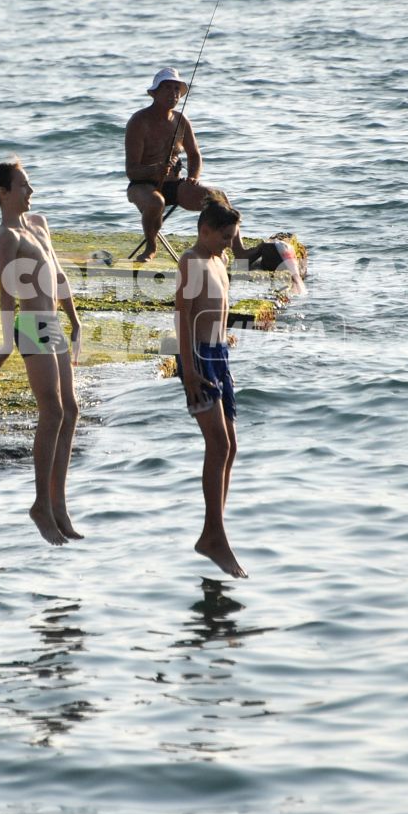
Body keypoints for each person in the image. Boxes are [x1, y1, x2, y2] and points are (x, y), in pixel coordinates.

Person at [0, 158, 85, 546]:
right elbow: (6, 293)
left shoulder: (38, 223)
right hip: (32, 326)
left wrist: (75, 319)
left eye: (29, 184)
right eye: (23, 186)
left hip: (54, 324)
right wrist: (6, 344)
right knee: (52, 410)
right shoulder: (6, 237)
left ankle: (58, 504)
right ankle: (41, 504)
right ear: (3, 194)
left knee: (71, 410)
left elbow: (58, 275)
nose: (31, 191)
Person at [177, 193, 248, 578]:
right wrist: (187, 369)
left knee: (231, 446)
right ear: (204, 231)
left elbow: (214, 307)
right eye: (224, 237)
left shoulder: (218, 259)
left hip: (219, 354)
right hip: (198, 358)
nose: (229, 244)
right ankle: (214, 535)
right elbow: (183, 315)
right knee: (217, 444)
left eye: (231, 237)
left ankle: (213, 532)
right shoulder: (191, 261)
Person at [125, 67, 247, 262]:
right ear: (155, 93)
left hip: (175, 185)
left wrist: (193, 177)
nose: (173, 94)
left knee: (219, 197)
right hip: (143, 185)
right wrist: (155, 169)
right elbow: (131, 171)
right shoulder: (139, 121)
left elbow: (195, 155)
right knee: (157, 202)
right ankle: (151, 246)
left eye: (176, 89)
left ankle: (238, 251)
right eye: (167, 88)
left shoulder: (181, 121)